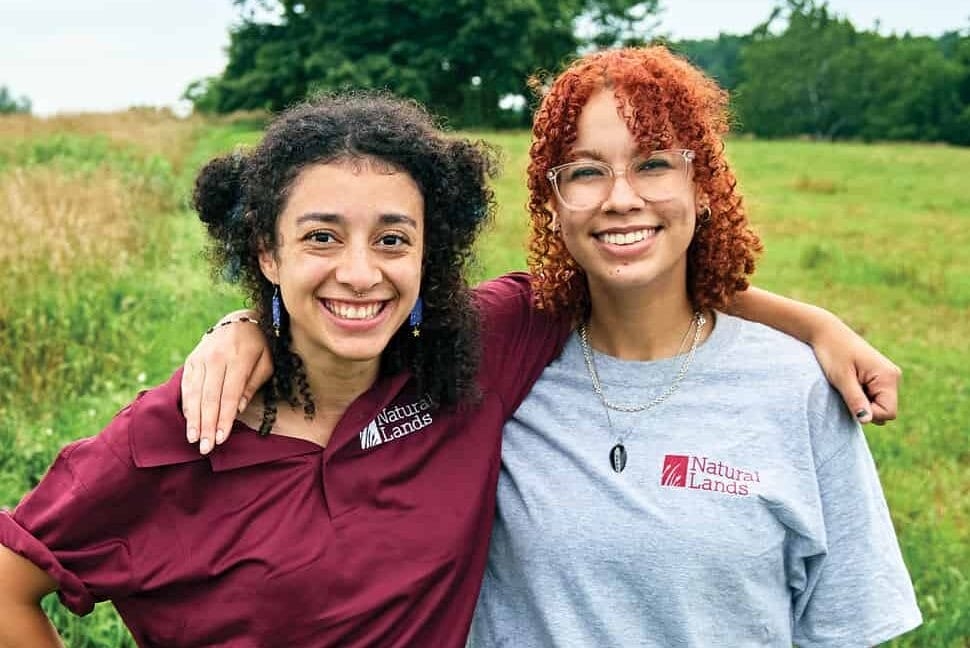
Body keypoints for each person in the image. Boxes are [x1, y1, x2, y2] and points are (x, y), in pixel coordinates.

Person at [183, 48, 919, 646]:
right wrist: (249, 326)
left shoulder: (799, 388)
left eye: (655, 163)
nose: (621, 196)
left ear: (704, 186)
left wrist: (814, 325)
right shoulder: (498, 352)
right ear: (554, 204)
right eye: (587, 172)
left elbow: (845, 625)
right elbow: (361, 311)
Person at [0, 92, 574, 647]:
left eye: (392, 240)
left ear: (429, 253)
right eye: (321, 238)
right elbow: (7, 586)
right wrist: (240, 324)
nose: (359, 272)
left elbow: (626, 264)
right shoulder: (185, 428)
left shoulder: (475, 355)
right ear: (268, 253)